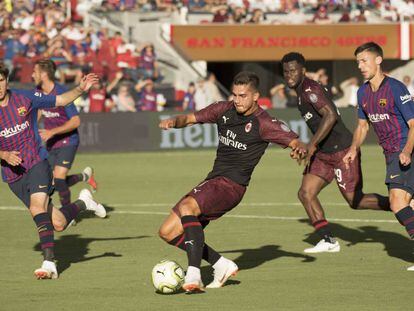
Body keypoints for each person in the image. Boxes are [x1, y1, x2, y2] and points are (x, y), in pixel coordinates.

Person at [158, 71, 306, 293]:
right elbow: (189, 119)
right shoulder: (223, 109)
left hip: (231, 186)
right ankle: (221, 264)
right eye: (235, 94)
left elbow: (296, 141)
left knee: (187, 206)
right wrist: (173, 121)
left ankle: (194, 274)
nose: (237, 100)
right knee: (168, 232)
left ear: (256, 96)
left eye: (243, 95)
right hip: (214, 180)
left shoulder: (265, 123)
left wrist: (299, 149)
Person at [0, 64, 106, 280]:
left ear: (6, 81)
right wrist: (4, 155)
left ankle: (49, 263)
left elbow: (60, 100)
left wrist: (80, 89)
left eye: (0, 80)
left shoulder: (25, 98)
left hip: (37, 162)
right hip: (13, 175)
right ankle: (84, 203)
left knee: (36, 206)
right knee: (58, 223)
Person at [281, 52, 391, 253]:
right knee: (306, 193)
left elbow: (330, 116)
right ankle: (329, 240)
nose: (289, 75)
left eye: (293, 71)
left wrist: (311, 145)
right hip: (324, 153)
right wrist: (311, 146)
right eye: (286, 71)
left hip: (342, 150)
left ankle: (400, 204)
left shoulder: (309, 89)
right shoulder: (300, 92)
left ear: (303, 71)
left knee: (355, 201)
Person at [343, 42, 414, 271]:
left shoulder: (395, 88)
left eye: (364, 61)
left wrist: (406, 151)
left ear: (378, 60)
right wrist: (354, 148)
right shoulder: (362, 92)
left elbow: (413, 124)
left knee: (396, 202)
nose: (361, 66)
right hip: (391, 154)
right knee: (409, 205)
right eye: (358, 62)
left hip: (404, 150)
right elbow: (362, 127)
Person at [33, 59, 97, 208]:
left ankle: (68, 213)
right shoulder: (38, 92)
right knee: (50, 181)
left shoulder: (62, 93)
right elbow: (40, 111)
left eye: (35, 71)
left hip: (68, 141)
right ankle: (84, 176)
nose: (32, 75)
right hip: (51, 142)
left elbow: (76, 121)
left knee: (59, 179)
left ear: (43, 74)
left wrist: (52, 132)